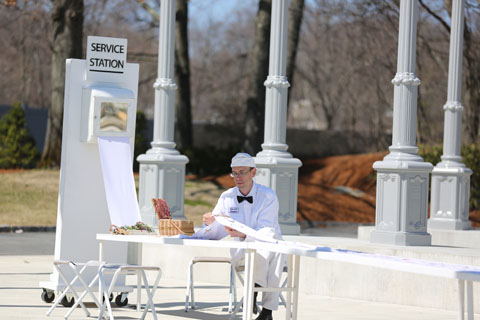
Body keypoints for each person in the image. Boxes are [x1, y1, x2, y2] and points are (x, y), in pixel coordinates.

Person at [202, 153, 285, 320]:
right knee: (263, 251)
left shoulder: (268, 195)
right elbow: (216, 226)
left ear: (253, 172)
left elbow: (267, 229)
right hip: (241, 251)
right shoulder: (226, 196)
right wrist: (209, 221)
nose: (237, 177)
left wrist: (244, 233)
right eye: (234, 173)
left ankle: (257, 300)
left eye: (242, 172)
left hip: (268, 246)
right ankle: (266, 310)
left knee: (270, 247)